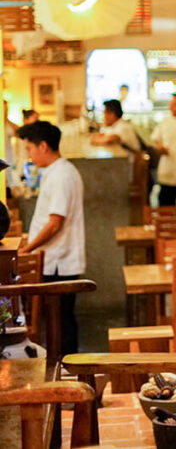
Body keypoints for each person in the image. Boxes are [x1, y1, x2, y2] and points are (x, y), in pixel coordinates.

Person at [17, 121, 85, 355]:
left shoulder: (61, 175)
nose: (29, 154)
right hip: (54, 257)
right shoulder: (57, 171)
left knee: (61, 320)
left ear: (43, 146)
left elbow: (55, 223)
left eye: (29, 148)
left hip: (58, 260)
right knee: (59, 320)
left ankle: (66, 370)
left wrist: (27, 249)